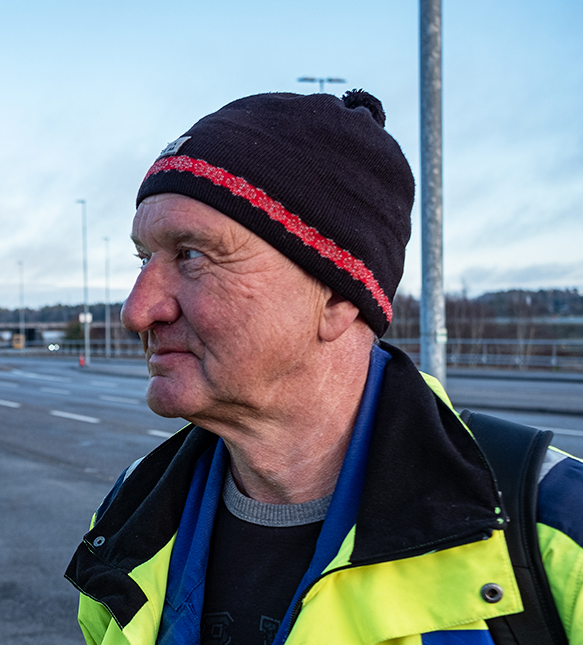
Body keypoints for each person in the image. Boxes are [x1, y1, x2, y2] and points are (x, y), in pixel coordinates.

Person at [65, 91, 583, 644]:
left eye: (191, 254)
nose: (137, 310)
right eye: (144, 259)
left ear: (339, 298)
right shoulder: (131, 519)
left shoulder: (555, 531)